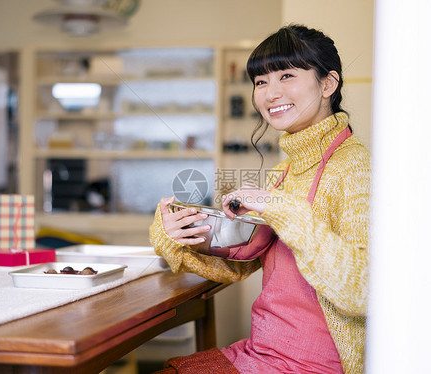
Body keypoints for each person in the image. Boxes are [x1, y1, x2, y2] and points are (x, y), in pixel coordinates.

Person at [149, 24, 370, 374]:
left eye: (286, 75)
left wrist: (282, 209)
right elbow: (242, 265)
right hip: (261, 352)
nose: (270, 94)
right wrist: (181, 237)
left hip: (315, 364)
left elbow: (362, 292)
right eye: (261, 81)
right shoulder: (282, 172)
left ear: (328, 84)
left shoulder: (355, 167)